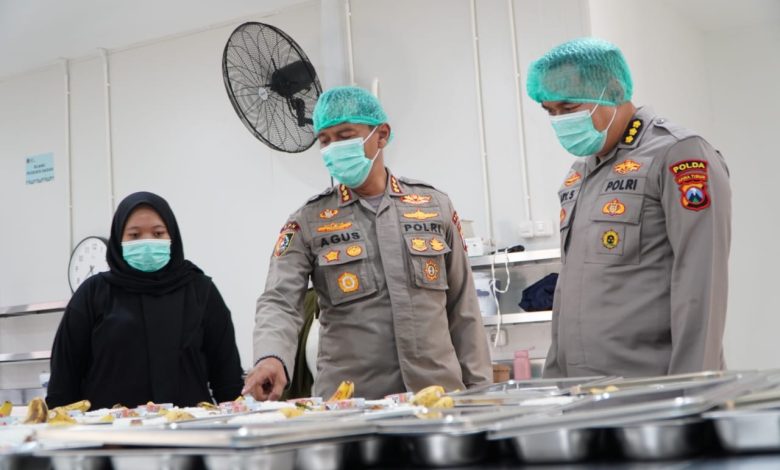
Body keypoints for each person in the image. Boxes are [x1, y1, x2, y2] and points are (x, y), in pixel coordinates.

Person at [243, 86, 492, 400]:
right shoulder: (308, 221)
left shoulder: (434, 207)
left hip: (437, 398)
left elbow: (463, 307)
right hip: (353, 405)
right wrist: (271, 356)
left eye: (345, 136)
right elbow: (279, 299)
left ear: (381, 135)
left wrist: (480, 391)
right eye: (325, 140)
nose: (334, 147)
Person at [526, 37, 731, 378]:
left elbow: (702, 282)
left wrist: (695, 392)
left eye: (569, 107)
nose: (560, 120)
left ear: (613, 90)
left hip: (649, 388)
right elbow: (569, 288)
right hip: (582, 390)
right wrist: (555, 381)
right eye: (550, 111)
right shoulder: (580, 173)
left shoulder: (677, 154)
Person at [47, 192, 244, 409]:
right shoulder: (92, 294)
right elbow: (63, 380)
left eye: (158, 233)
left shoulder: (201, 291)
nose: (147, 242)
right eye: (134, 235)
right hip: (109, 428)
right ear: (118, 239)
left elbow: (228, 379)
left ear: (172, 236)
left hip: (190, 427)